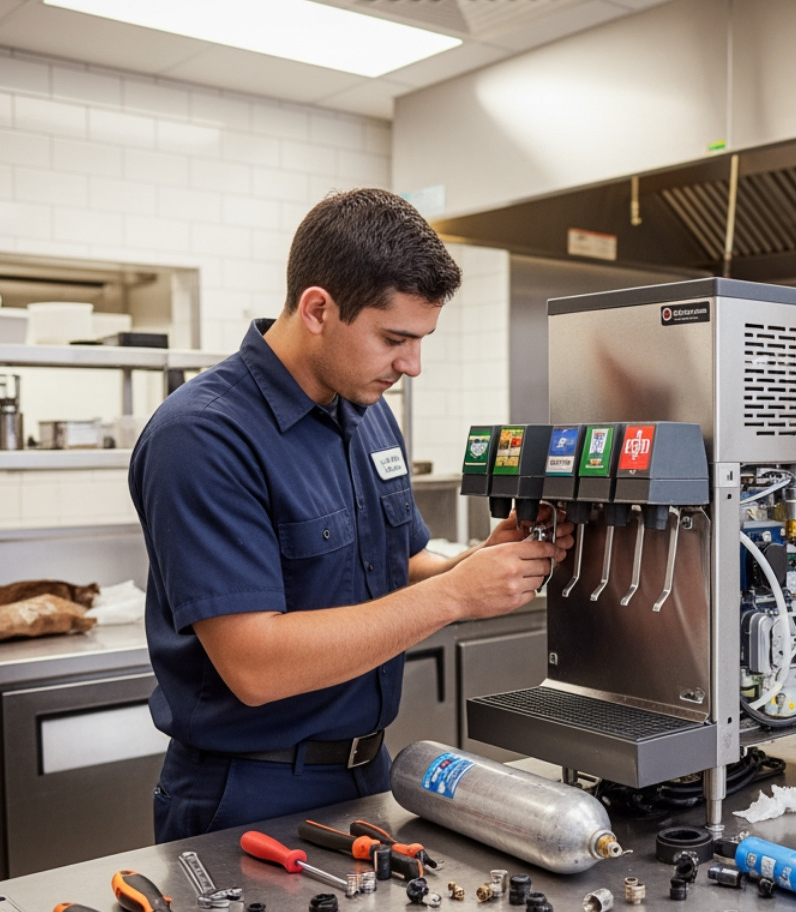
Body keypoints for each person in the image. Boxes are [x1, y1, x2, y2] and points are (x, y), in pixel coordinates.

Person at [129, 188, 570, 843]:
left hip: (368, 772)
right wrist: (455, 596)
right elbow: (255, 666)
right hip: (248, 791)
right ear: (318, 309)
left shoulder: (366, 412)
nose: (411, 366)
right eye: (394, 339)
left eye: (420, 341)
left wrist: (482, 560)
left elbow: (398, 563)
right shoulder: (202, 436)